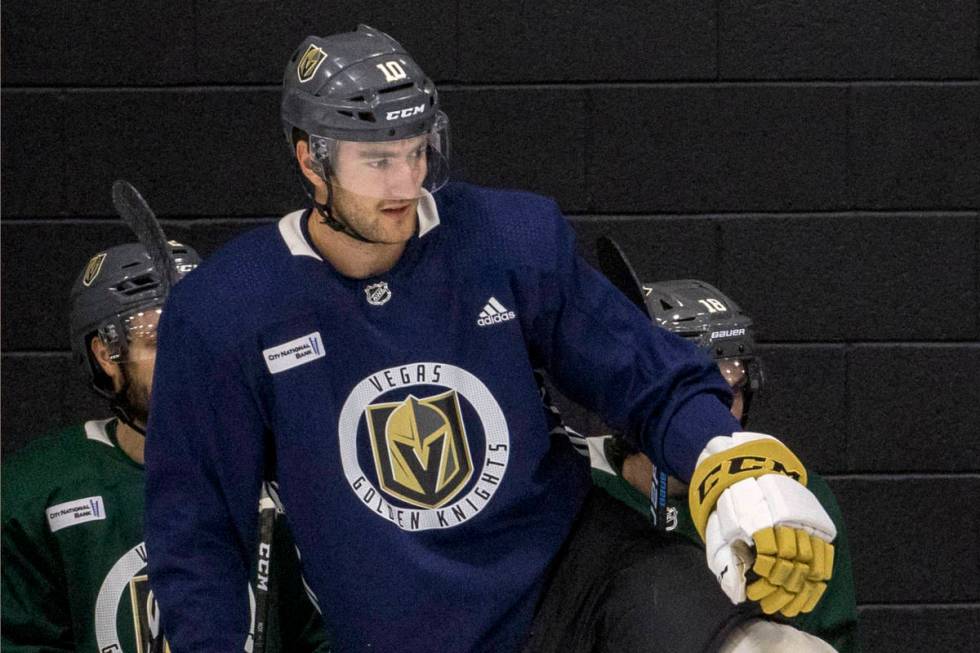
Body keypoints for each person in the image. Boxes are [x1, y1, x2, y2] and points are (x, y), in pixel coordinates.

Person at [145, 25, 837, 651]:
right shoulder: (225, 312)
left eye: (417, 151)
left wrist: (729, 456)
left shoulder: (508, 237)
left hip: (576, 572)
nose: (406, 181)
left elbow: (642, 371)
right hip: (405, 625)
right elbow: (198, 531)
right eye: (376, 161)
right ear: (310, 162)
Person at [1, 241, 326, 653]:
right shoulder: (35, 493)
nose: (186, 358)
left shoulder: (286, 474)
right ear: (105, 355)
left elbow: (327, 633)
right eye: (158, 340)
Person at [536, 276, 858, 651]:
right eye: (693, 395)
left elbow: (833, 641)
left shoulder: (790, 501)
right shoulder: (573, 483)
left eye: (731, 390)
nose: (715, 412)